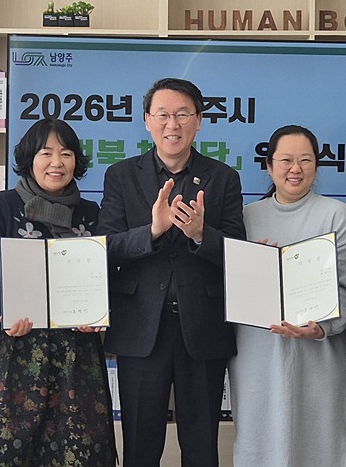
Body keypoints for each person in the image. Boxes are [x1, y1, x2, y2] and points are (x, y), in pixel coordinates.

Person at [97, 77, 245, 466]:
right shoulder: (121, 176)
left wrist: (201, 235)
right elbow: (104, 248)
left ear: (199, 120)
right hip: (141, 327)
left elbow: (238, 254)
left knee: (201, 446)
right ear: (147, 120)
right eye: (162, 115)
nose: (172, 124)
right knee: (140, 446)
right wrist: (152, 230)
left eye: (182, 114)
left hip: (203, 327)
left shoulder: (223, 178)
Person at [0, 118, 116, 466]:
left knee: (77, 452)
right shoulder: (2, 207)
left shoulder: (91, 213)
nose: (56, 162)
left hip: (76, 354)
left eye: (66, 153)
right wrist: (4, 311)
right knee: (2, 450)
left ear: (76, 161)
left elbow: (106, 274)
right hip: (13, 348)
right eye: (46, 153)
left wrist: (97, 313)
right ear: (29, 159)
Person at [227, 125, 346, 467]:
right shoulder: (245, 217)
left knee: (318, 442)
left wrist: (322, 328)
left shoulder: (337, 214)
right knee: (259, 441)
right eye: (285, 160)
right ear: (269, 166)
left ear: (317, 165)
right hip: (258, 353)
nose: (295, 169)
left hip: (320, 355)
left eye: (305, 160)